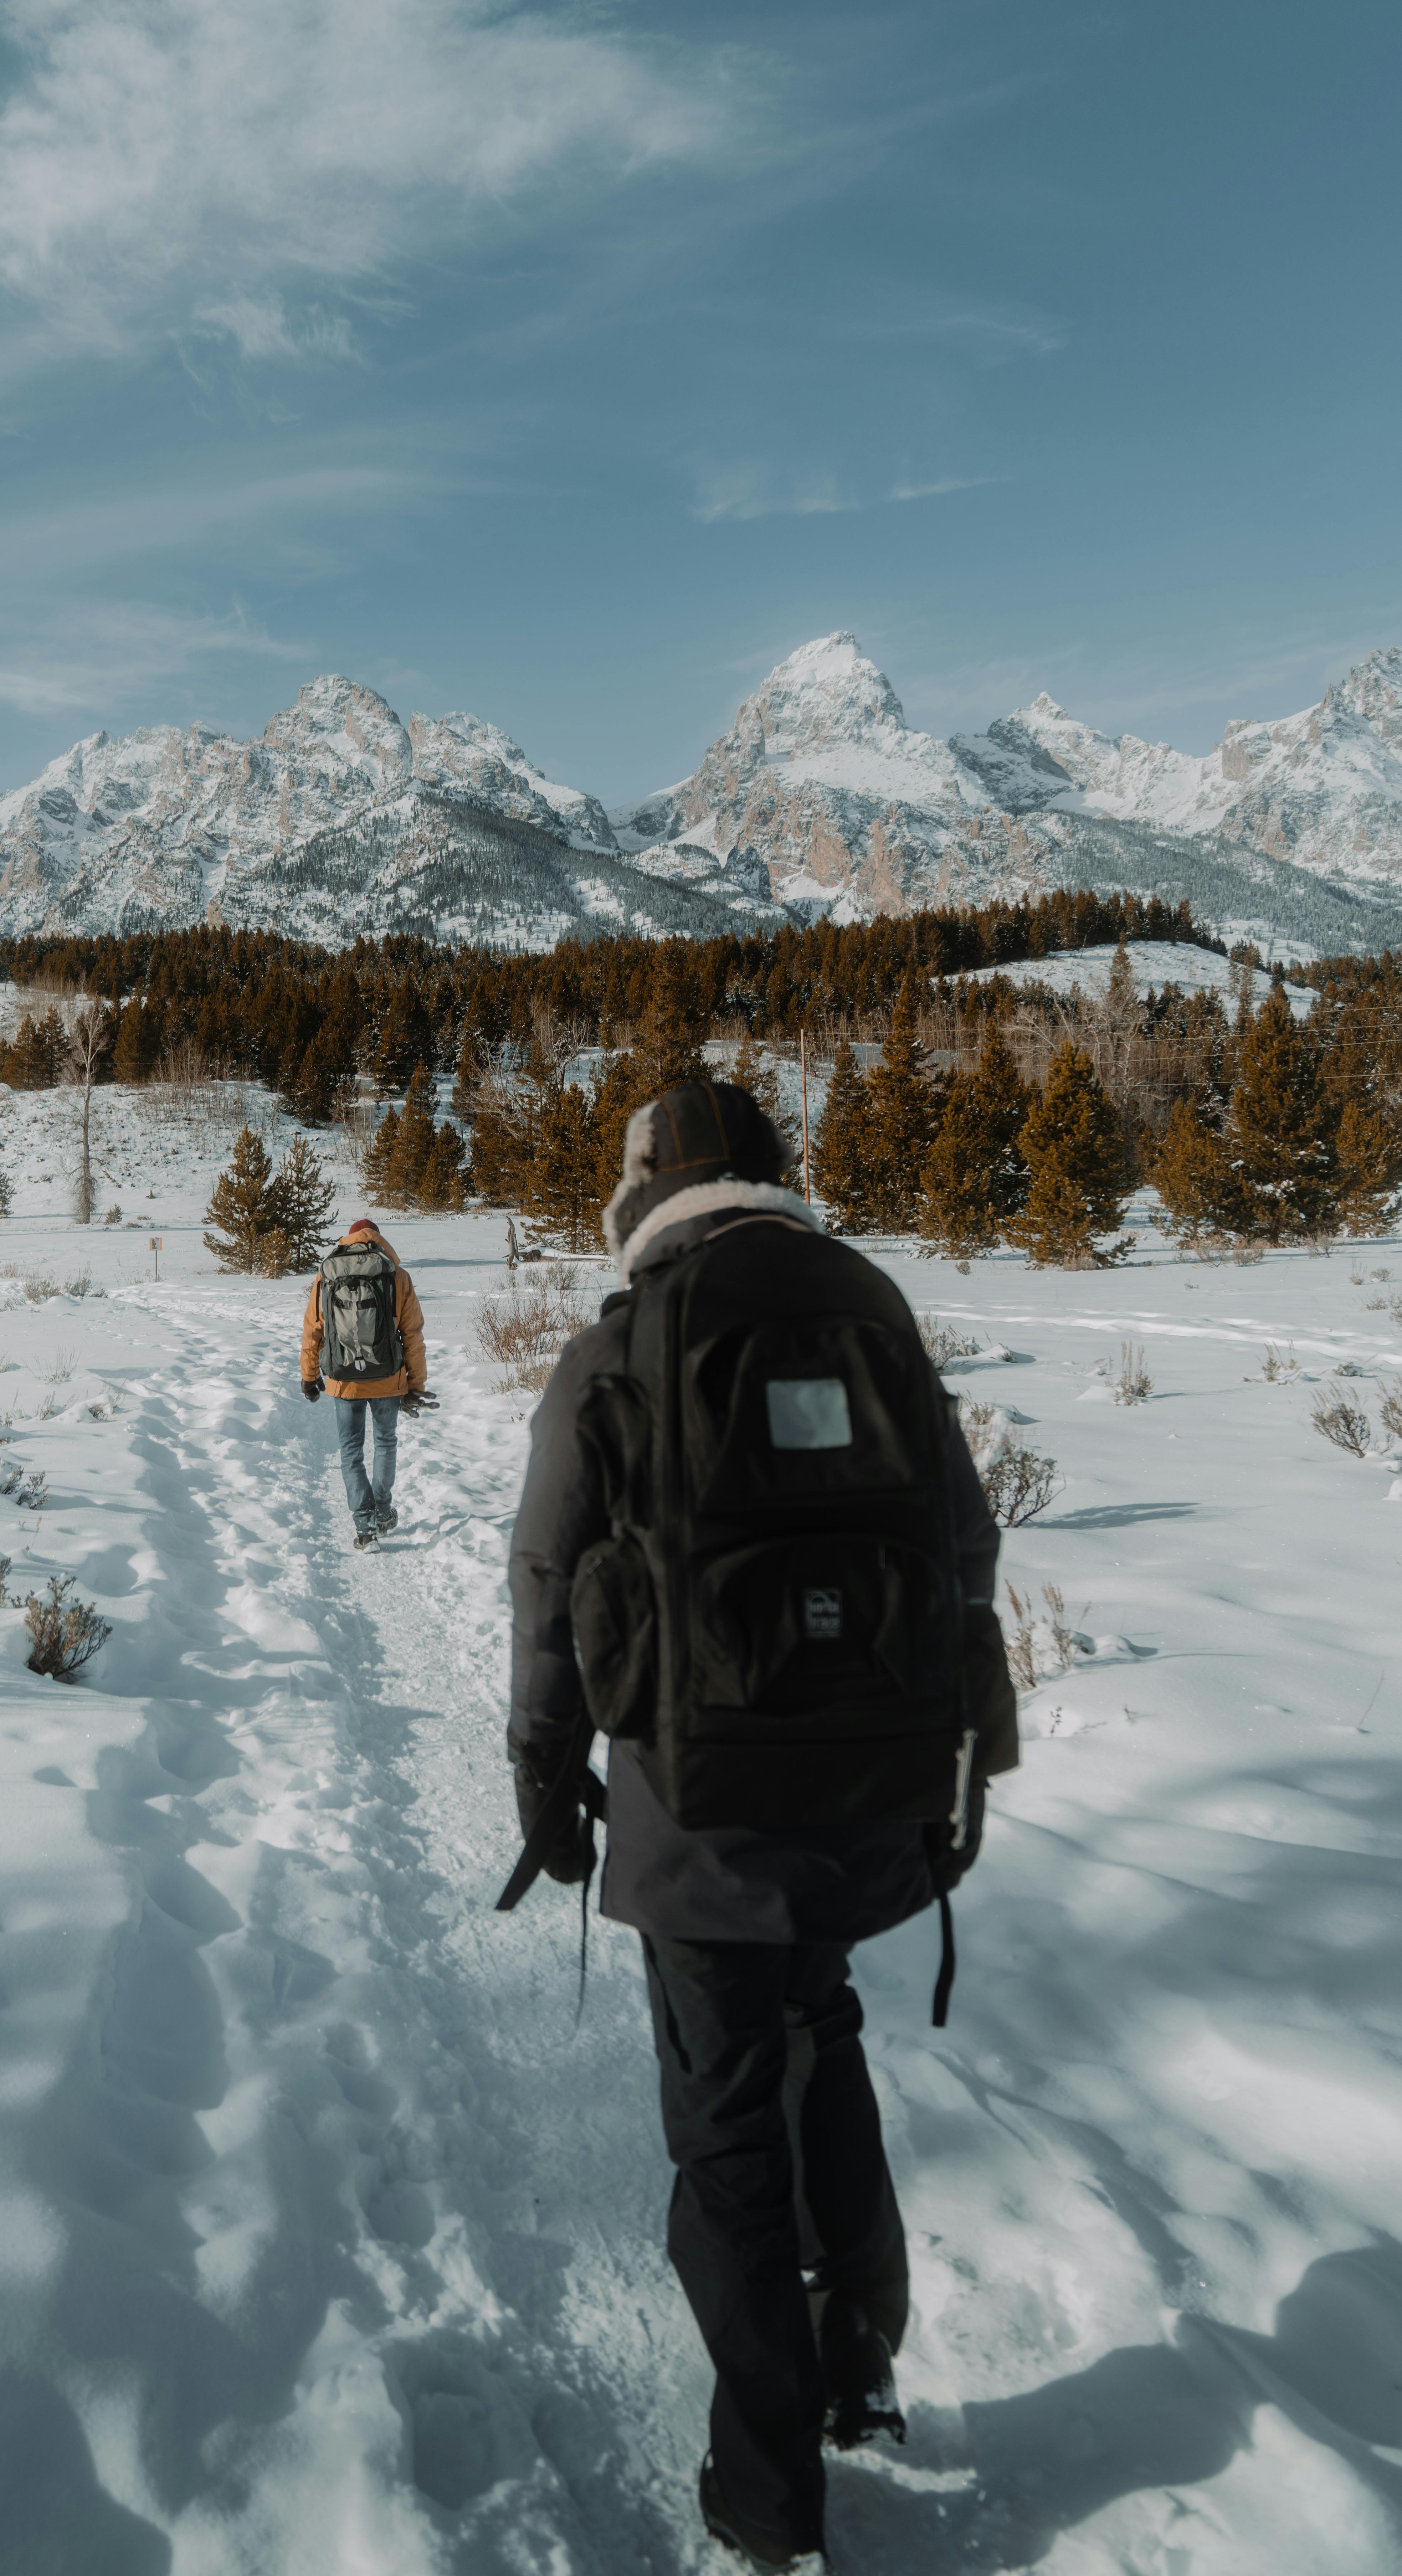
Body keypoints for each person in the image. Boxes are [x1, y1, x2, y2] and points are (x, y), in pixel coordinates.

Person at [504, 1080, 1017, 2574]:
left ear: (645, 1187)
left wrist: (546, 1766)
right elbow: (963, 1537)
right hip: (870, 1786)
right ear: (772, 1176)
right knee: (826, 2027)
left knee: (726, 2125)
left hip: (699, 1804)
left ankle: (768, 2490)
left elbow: (549, 1572)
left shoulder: (623, 1339)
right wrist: (953, 1738)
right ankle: (860, 2354)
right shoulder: (869, 1310)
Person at [301, 1214, 430, 1549]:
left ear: (348, 1239)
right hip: (388, 1377)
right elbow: (412, 1334)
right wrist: (416, 1384)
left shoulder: (327, 1275)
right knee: (385, 1443)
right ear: (377, 1239)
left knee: (350, 1452)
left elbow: (314, 1331)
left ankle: (364, 1527)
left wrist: (309, 1376)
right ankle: (384, 1511)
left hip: (344, 1381)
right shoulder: (396, 1275)